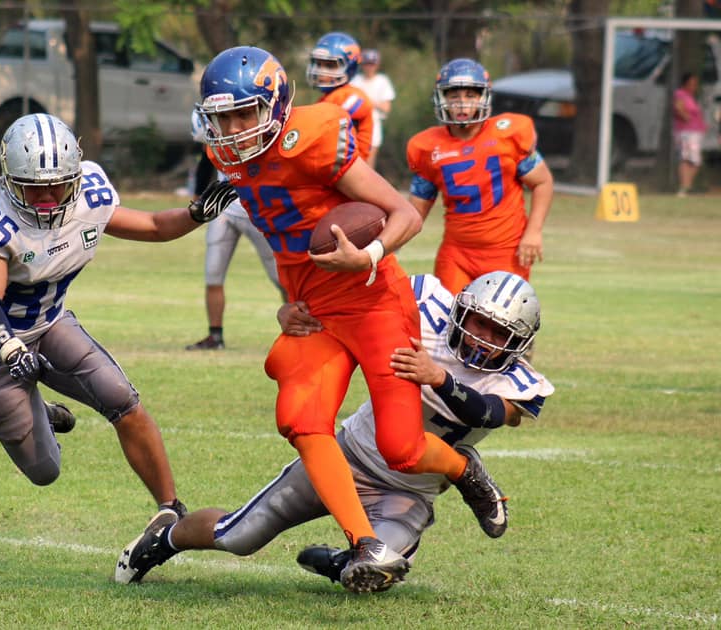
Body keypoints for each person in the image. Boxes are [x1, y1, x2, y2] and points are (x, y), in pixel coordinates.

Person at [174, 45, 508, 593]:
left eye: (244, 113)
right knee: (301, 420)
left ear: (277, 108)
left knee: (402, 447)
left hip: (376, 300)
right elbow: (285, 241)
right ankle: (365, 541)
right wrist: (286, 301)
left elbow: (403, 214)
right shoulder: (229, 161)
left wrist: (368, 255)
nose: (232, 128)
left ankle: (463, 469)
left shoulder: (317, 138)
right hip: (317, 315)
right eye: (222, 117)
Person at [115, 271, 553, 592]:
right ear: (461, 309)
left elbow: (493, 413)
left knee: (379, 573)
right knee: (239, 536)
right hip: (349, 457)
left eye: (500, 333)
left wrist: (439, 378)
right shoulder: (425, 303)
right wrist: (289, 312)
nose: (484, 338)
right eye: (480, 323)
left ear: (519, 342)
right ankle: (165, 538)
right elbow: (347, 297)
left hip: (409, 492)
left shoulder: (518, 381)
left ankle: (343, 560)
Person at [0, 113, 235, 532]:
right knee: (44, 470)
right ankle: (38, 410)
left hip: (50, 326)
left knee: (122, 400)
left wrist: (195, 213)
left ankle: (171, 509)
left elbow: (153, 226)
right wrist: (11, 349)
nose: (46, 198)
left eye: (56, 185)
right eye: (34, 186)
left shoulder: (89, 195)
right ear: (10, 178)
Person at [406, 58, 554, 295]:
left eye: (471, 95)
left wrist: (534, 232)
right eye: (454, 96)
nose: (462, 104)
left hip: (506, 251)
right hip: (457, 254)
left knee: (503, 325)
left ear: (483, 97)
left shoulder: (508, 134)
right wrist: (382, 245)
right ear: (441, 98)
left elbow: (543, 182)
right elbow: (414, 212)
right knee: (449, 323)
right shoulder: (427, 147)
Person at [185, 110, 286, 351]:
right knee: (213, 275)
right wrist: (199, 198)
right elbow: (206, 160)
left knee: (282, 278)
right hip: (224, 209)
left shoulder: (256, 126)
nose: (231, 128)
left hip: (256, 208)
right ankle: (215, 336)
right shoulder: (213, 125)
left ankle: (298, 330)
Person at [306, 32, 376, 161]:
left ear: (349, 67)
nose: (321, 71)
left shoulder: (354, 96)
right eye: (319, 63)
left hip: (349, 170)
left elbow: (325, 125)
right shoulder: (326, 98)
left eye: (329, 65)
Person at [350, 48, 396, 169]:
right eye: (367, 64)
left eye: (372, 64)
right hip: (354, 126)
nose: (369, 67)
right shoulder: (355, 81)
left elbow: (386, 108)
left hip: (373, 126)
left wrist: (367, 102)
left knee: (368, 165)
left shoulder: (382, 81)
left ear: (377, 65)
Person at [672, 72, 708, 198]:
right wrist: (685, 117)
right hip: (687, 132)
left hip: (695, 132)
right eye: (691, 83)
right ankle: (685, 187)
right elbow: (678, 107)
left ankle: (687, 187)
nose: (694, 86)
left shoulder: (690, 96)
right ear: (685, 83)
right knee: (688, 159)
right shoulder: (680, 94)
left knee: (694, 160)